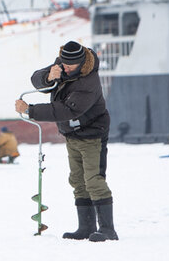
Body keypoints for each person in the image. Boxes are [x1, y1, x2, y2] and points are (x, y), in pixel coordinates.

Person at [15, 41, 118, 242]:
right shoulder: (64, 64)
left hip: (92, 134)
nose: (66, 69)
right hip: (72, 134)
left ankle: (107, 229)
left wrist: (30, 110)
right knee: (77, 180)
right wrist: (48, 76)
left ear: (81, 63)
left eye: (70, 66)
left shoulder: (89, 81)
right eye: (63, 64)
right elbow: (36, 79)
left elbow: (66, 110)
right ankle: (86, 227)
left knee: (94, 180)